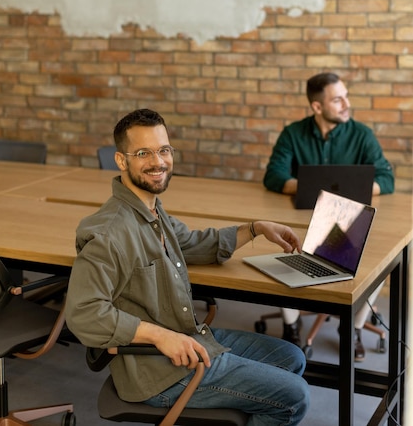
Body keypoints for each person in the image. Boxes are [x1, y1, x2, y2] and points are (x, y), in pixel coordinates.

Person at [65, 108, 310, 426]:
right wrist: (159, 336)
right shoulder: (110, 231)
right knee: (295, 397)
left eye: (164, 150)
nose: (158, 162)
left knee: (291, 357)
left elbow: (192, 243)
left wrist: (256, 228)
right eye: (144, 153)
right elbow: (83, 314)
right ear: (122, 161)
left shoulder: (151, 210)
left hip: (188, 337)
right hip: (158, 372)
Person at [263, 72, 394, 361]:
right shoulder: (293, 134)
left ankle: (354, 328)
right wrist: (314, 187)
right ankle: (291, 325)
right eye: (338, 99)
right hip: (303, 220)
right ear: (317, 107)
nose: (347, 104)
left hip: (350, 223)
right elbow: (273, 176)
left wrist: (350, 190)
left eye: (346, 96)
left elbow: (387, 179)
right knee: (280, 248)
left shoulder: (362, 135)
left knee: (382, 260)